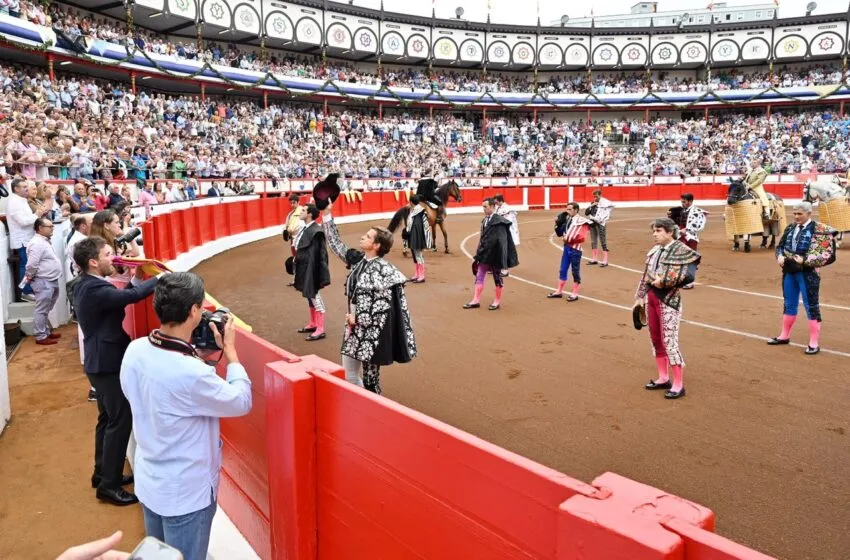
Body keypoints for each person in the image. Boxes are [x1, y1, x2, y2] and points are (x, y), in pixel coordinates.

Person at [120, 272, 252, 560]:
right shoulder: (190, 373)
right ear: (193, 311)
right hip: (186, 494)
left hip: (151, 481)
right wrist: (231, 354)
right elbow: (241, 401)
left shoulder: (135, 350)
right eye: (201, 308)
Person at [72, 236, 159, 506]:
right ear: (94, 262)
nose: (115, 257)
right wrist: (160, 278)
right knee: (119, 421)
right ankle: (108, 486)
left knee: (107, 419)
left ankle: (103, 474)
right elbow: (130, 297)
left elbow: (120, 298)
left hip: (101, 361)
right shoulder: (95, 289)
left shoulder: (88, 285)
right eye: (109, 254)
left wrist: (133, 278)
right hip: (107, 363)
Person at [321, 201, 417, 394]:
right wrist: (326, 215)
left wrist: (358, 319)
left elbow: (383, 307)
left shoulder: (385, 271)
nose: (362, 237)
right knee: (349, 375)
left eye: (367, 236)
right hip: (353, 324)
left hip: (374, 332)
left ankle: (373, 410)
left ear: (376, 245)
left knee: (371, 380)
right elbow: (336, 245)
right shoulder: (358, 260)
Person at [633, 218, 700, 400]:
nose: (655, 234)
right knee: (656, 339)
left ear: (670, 232)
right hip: (651, 298)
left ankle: (678, 384)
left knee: (669, 341)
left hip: (669, 300)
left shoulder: (681, 250)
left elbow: (685, 276)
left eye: (659, 231)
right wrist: (639, 297)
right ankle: (663, 377)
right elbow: (645, 275)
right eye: (654, 231)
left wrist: (663, 281)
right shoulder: (654, 251)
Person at [768, 201, 837, 355]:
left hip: (808, 274)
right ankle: (784, 335)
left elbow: (829, 255)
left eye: (800, 214)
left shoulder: (820, 230)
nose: (796, 216)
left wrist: (806, 260)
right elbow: (780, 247)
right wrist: (779, 256)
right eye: (795, 213)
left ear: (808, 213)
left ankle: (814, 342)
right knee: (789, 303)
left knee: (811, 306)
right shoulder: (790, 228)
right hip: (789, 271)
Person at [463, 198, 519, 311]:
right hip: (484, 254)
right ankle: (475, 300)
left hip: (495, 255)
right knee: (479, 276)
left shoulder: (499, 221)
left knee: (497, 279)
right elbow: (483, 237)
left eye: (485, 207)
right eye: (483, 207)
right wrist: (479, 250)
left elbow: (502, 242)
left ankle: (497, 302)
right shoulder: (485, 221)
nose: (483, 209)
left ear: (493, 207)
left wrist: (501, 258)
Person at [6, 177, 49, 301]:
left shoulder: (21, 200)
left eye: (27, 186)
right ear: (16, 189)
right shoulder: (14, 202)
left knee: (30, 266)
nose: (27, 189)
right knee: (26, 266)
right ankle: (26, 291)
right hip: (22, 240)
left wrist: (37, 214)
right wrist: (37, 214)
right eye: (24, 187)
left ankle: (30, 290)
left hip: (27, 238)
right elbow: (23, 222)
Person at [293, 204, 331, 341]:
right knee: (310, 295)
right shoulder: (307, 229)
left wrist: (315, 271)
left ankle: (320, 329)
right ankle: (314, 323)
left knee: (315, 295)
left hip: (312, 268)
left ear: (309, 214)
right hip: (305, 266)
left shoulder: (316, 231)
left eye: (303, 210)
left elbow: (318, 255)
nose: (300, 212)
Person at [24, 217, 63, 345]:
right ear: (40, 228)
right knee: (41, 309)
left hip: (50, 279)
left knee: (46, 308)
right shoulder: (37, 243)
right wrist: (30, 276)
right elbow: (31, 264)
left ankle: (45, 331)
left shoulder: (43, 241)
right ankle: (41, 336)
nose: (52, 228)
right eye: (50, 226)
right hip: (43, 280)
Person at [547, 203, 590, 302]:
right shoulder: (567, 220)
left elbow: (582, 235)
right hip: (566, 248)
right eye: (567, 209)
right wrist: (557, 223)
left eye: (570, 209)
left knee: (575, 271)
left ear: (576, 210)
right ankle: (559, 291)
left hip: (576, 249)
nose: (567, 211)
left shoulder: (581, 221)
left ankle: (575, 293)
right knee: (563, 269)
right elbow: (559, 233)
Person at [670, 193, 707, 289]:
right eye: (682, 201)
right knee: (680, 258)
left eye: (684, 202)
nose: (682, 203)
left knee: (690, 259)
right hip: (680, 236)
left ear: (690, 201)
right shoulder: (683, 210)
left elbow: (699, 225)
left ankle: (690, 281)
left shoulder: (697, 211)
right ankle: (681, 279)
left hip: (690, 238)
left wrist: (686, 230)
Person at [404, 194, 431, 283]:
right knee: (416, 255)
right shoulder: (417, 210)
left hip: (418, 236)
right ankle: (417, 274)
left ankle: (421, 276)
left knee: (419, 255)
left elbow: (426, 226)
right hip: (414, 235)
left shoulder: (420, 211)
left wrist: (426, 240)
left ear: (411, 202)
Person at [585, 189, 613, 267]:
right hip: (592, 224)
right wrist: (591, 205)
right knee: (593, 241)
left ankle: (605, 261)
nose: (595, 198)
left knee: (603, 241)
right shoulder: (593, 203)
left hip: (600, 224)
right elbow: (586, 213)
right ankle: (594, 259)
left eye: (596, 196)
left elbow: (608, 212)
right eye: (594, 196)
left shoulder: (605, 204)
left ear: (600, 195)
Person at [494, 194, 520, 276]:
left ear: (499, 200)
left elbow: (508, 221)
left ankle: (505, 270)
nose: (495, 203)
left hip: (508, 233)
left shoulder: (508, 209)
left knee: (505, 251)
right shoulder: (498, 208)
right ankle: (497, 267)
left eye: (496, 201)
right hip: (500, 232)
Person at [282, 193, 305, 287]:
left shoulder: (302, 211)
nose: (292, 205)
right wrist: (285, 231)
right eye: (291, 203)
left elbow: (300, 226)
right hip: (294, 239)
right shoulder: (290, 214)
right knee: (296, 259)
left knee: (301, 259)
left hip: (300, 239)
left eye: (294, 203)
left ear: (298, 202)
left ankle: (303, 279)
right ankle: (297, 279)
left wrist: (289, 231)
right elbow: (287, 225)